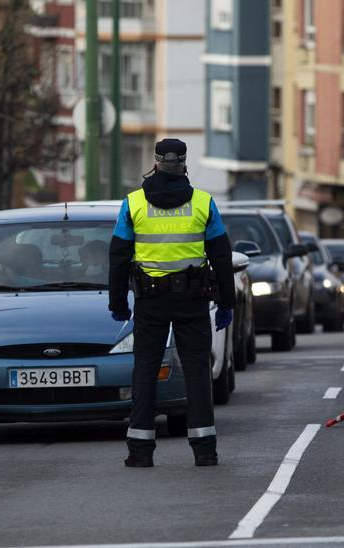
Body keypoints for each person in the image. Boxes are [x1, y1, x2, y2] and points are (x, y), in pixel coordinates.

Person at [109, 138, 236, 468]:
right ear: (183, 163)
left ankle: (140, 451)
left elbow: (118, 258)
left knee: (145, 372)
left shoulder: (133, 203)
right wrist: (226, 303)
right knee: (196, 372)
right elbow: (221, 257)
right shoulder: (204, 203)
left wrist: (118, 302)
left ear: (155, 162)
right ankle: (205, 449)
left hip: (150, 302)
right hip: (192, 300)